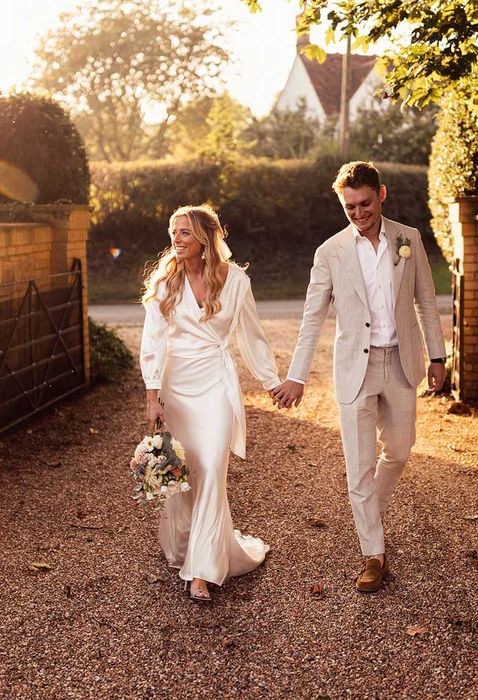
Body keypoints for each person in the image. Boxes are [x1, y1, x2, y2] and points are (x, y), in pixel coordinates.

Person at [271, 161, 446, 592]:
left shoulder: (410, 239)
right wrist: (296, 376)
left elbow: (426, 300)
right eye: (349, 206)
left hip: (402, 363)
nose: (358, 212)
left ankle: (372, 508)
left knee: (401, 450)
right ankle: (374, 552)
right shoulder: (329, 253)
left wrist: (438, 357)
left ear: (381, 195)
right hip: (354, 371)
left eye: (364, 203)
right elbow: (312, 318)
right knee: (358, 469)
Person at [140, 204, 280, 602]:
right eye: (173, 232)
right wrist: (153, 396)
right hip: (177, 385)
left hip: (216, 384)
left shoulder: (235, 281)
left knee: (214, 466)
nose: (175, 240)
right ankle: (189, 545)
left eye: (184, 233)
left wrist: (271, 382)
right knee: (186, 473)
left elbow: (251, 336)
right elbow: (153, 343)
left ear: (205, 238)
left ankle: (201, 570)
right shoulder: (164, 282)